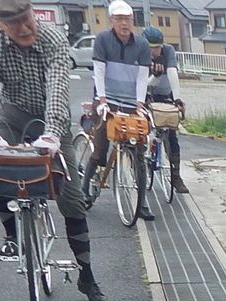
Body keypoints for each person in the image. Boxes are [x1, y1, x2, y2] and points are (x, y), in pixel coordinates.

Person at [0, 0, 108, 301]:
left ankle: (87, 274)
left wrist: (52, 134)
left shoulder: (52, 38)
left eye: (27, 18)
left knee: (71, 195)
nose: (25, 28)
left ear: (32, 12)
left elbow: (58, 88)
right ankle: (13, 235)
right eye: (14, 23)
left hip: (51, 118)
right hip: (12, 114)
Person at [83, 0, 154, 220]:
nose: (124, 23)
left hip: (132, 102)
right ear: (111, 21)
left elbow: (143, 77)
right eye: (119, 19)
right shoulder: (103, 40)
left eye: (128, 19)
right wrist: (102, 100)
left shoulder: (142, 44)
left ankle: (141, 203)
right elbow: (99, 71)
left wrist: (140, 105)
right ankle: (84, 190)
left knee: (139, 151)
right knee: (100, 148)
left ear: (133, 21)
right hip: (107, 99)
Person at [142, 26, 189, 194]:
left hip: (165, 94)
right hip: (145, 93)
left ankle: (176, 176)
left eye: (157, 47)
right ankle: (140, 163)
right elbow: (143, 83)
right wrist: (155, 76)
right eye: (151, 47)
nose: (154, 51)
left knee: (171, 135)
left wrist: (177, 99)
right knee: (142, 129)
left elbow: (172, 73)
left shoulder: (168, 51)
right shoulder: (140, 52)